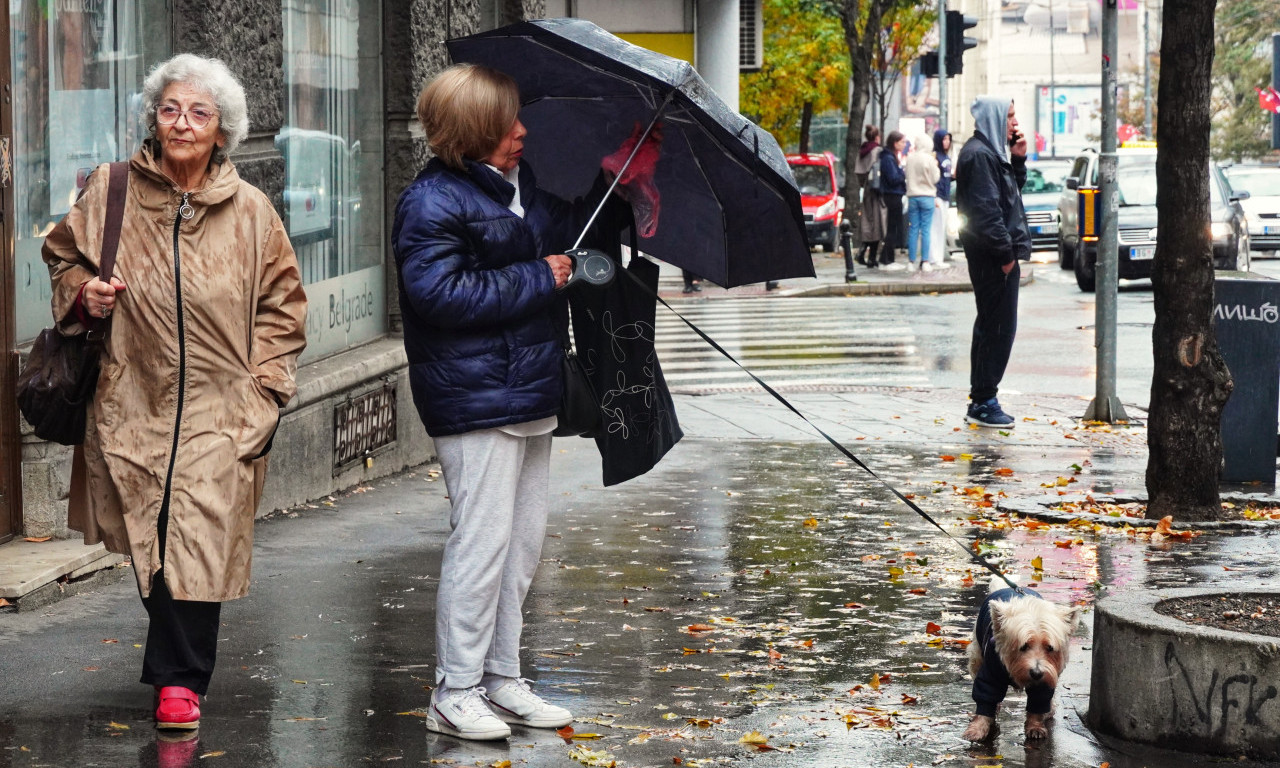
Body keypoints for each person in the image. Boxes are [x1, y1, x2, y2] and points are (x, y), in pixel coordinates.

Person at [393, 64, 660, 742]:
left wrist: (617, 183)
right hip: (474, 399)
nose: (522, 130)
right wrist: (540, 275)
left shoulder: (520, 185)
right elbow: (441, 298)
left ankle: (502, 680)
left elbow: (573, 229)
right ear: (474, 132)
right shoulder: (432, 202)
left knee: (520, 547)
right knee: (480, 546)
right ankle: (454, 690)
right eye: (507, 122)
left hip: (532, 389)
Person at [42, 53, 307, 729]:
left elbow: (284, 304)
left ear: (222, 131)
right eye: (170, 110)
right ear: (154, 121)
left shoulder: (252, 213)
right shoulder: (112, 190)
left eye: (199, 113)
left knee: (197, 536)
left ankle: (179, 680)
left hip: (225, 408)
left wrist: (267, 389)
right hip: (132, 398)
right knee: (152, 532)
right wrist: (85, 296)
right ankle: (174, 668)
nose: (182, 123)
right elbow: (62, 251)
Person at [955, 97, 1031, 428]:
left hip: (996, 256)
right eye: (1009, 116)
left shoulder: (991, 153)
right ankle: (984, 401)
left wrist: (1018, 161)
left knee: (994, 326)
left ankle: (983, 398)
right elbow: (986, 211)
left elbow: (1008, 195)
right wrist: (1006, 258)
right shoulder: (979, 155)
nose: (1014, 123)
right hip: (993, 258)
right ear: (995, 118)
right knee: (997, 328)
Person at [904, 133, 941, 272]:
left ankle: (911, 261)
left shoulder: (910, 158)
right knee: (926, 230)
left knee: (913, 229)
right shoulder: (929, 159)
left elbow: (906, 175)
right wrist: (936, 166)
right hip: (927, 196)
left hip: (913, 196)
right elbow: (935, 178)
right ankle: (925, 261)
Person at [853, 125, 885, 268]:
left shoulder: (862, 151)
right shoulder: (878, 151)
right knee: (877, 225)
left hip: (866, 189)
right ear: (877, 137)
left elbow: (859, 173)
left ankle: (864, 253)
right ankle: (869, 256)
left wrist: (864, 183)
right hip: (877, 192)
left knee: (868, 223)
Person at [879, 130, 908, 268]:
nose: (904, 144)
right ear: (895, 143)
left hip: (894, 194)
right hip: (892, 195)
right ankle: (886, 260)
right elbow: (893, 178)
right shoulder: (888, 158)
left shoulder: (891, 157)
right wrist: (903, 175)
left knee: (894, 228)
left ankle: (889, 258)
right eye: (902, 142)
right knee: (892, 228)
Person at [931, 130, 953, 265]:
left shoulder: (947, 157)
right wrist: (934, 196)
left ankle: (938, 257)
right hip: (937, 196)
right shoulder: (935, 156)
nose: (947, 142)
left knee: (942, 228)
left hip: (945, 196)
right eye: (944, 139)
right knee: (935, 228)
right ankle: (935, 258)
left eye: (948, 139)